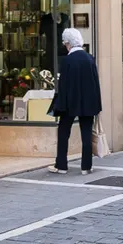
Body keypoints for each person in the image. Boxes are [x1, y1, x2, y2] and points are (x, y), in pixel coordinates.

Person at [49, 28, 102, 175]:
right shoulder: (89, 58)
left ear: (67, 43)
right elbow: (95, 83)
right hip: (88, 103)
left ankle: (61, 165)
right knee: (86, 132)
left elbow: (63, 85)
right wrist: (97, 104)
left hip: (69, 103)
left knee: (63, 131)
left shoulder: (67, 60)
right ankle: (86, 166)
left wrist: (60, 104)